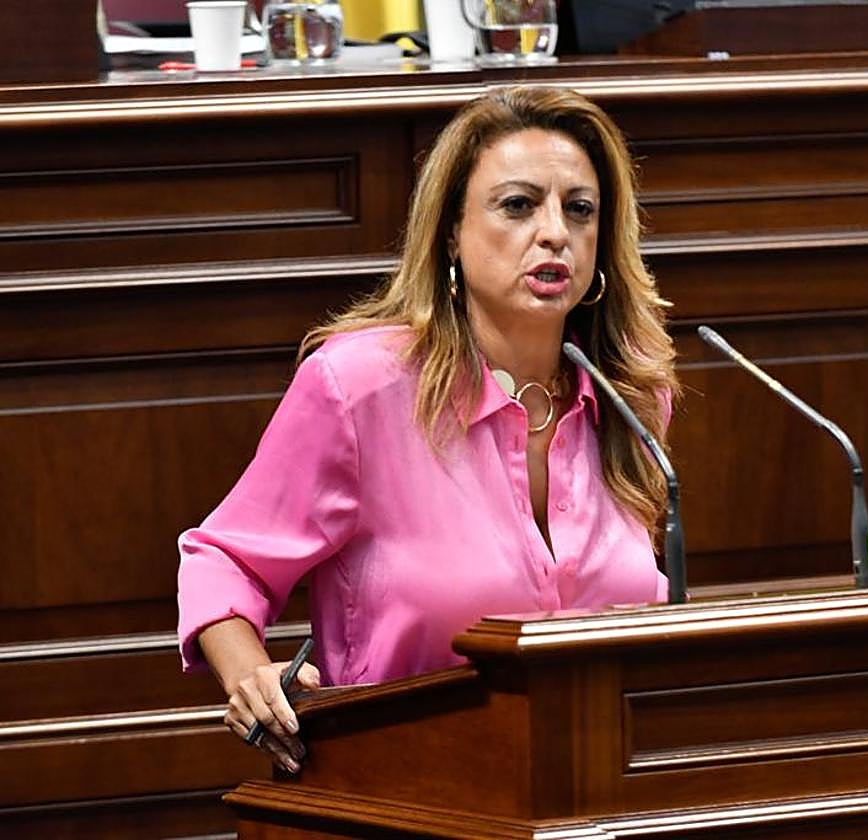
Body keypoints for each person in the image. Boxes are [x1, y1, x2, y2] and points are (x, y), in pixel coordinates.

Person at [176, 86, 679, 773]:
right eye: (518, 205)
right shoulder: (359, 388)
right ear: (451, 231)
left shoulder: (631, 402)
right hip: (406, 785)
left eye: (580, 209)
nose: (556, 231)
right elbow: (225, 557)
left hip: (596, 788)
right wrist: (249, 677)